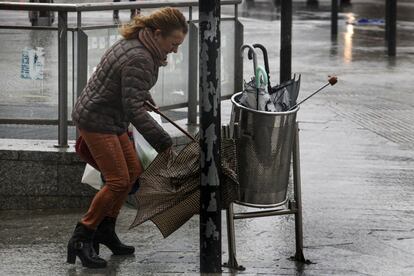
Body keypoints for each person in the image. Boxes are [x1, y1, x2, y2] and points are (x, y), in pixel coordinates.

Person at [68, 7, 188, 269]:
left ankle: (106, 230)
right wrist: (164, 143)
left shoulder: (137, 43)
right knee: (119, 180)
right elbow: (134, 106)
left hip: (111, 117)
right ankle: (83, 235)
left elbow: (132, 90)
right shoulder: (141, 57)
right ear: (158, 34)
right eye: (173, 43)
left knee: (132, 171)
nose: (175, 50)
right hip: (98, 120)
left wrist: (148, 100)